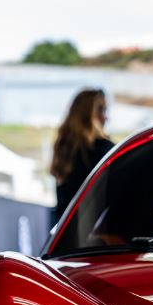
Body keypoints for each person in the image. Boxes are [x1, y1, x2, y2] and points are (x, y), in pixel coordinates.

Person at [50, 88, 114, 221]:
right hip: (98, 234)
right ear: (89, 115)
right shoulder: (103, 150)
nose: (106, 118)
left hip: (66, 231)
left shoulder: (64, 148)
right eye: (102, 110)